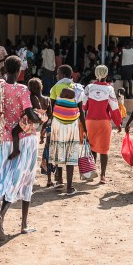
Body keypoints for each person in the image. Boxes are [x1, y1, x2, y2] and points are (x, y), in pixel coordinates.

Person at [0, 56, 42, 241]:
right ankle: (19, 223)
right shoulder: (22, 89)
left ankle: (6, 218)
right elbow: (29, 113)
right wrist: (41, 117)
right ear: (20, 71)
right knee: (25, 178)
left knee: (8, 176)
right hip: (26, 139)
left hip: (6, 139)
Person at [82, 65, 122, 184]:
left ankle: (91, 172)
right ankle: (103, 176)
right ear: (106, 74)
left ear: (95, 73)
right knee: (104, 150)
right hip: (104, 122)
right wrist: (118, 123)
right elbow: (114, 108)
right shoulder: (109, 89)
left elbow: (84, 106)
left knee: (92, 148)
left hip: (90, 122)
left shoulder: (89, 87)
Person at [49, 65, 85, 195]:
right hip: (72, 124)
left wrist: (47, 125)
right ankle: (69, 187)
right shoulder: (79, 88)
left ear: (63, 75)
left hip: (57, 123)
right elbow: (81, 111)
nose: (56, 76)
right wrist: (84, 128)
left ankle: (59, 181)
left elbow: (51, 108)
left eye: (58, 73)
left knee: (59, 150)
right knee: (71, 153)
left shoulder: (55, 88)